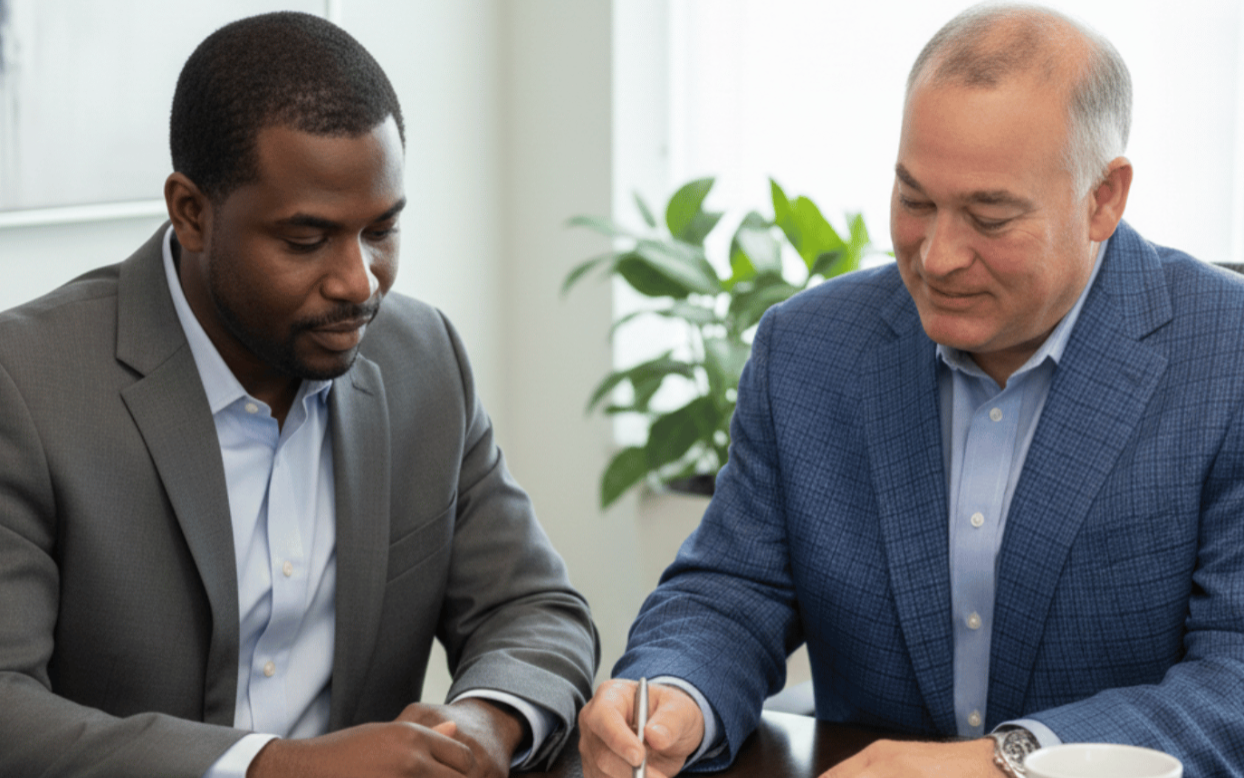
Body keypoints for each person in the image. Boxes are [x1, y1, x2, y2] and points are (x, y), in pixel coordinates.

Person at [578, 4, 1244, 777]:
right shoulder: (810, 349)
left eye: (989, 216)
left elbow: (1235, 677)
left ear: (1103, 199)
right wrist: (675, 695)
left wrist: (1008, 762)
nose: (937, 256)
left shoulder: (1225, 355)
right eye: (915, 200)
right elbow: (734, 589)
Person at [0, 12, 598, 778]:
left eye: (382, 230)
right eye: (306, 240)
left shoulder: (423, 360)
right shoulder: (27, 385)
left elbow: (535, 610)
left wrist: (484, 722)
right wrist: (271, 766)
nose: (359, 282)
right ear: (192, 213)